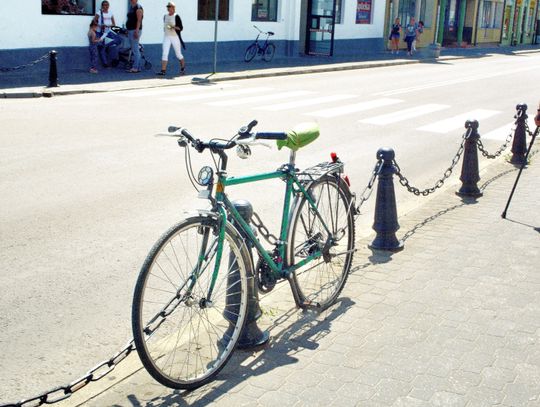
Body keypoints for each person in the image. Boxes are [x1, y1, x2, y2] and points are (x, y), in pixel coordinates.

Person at [157, 2, 186, 76]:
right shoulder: (165, 16)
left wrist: (172, 27)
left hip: (175, 37)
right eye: (167, 7)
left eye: (169, 7)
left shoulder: (176, 16)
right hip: (167, 36)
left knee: (178, 54)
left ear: (173, 8)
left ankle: (183, 68)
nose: (168, 8)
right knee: (164, 53)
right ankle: (163, 71)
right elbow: (165, 25)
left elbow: (180, 28)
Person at [93, 1, 120, 67]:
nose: (106, 6)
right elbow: (94, 21)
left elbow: (114, 24)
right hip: (100, 32)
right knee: (101, 47)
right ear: (102, 6)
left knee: (118, 40)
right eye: (104, 5)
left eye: (107, 5)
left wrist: (108, 25)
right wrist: (100, 25)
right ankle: (105, 63)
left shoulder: (110, 13)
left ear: (109, 6)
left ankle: (107, 46)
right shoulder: (99, 13)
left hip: (108, 31)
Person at [126, 0, 144, 73]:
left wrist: (136, 31)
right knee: (134, 49)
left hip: (135, 30)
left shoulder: (138, 7)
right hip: (130, 30)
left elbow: (139, 20)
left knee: (135, 49)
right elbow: (130, 19)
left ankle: (135, 67)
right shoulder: (131, 7)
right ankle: (137, 67)